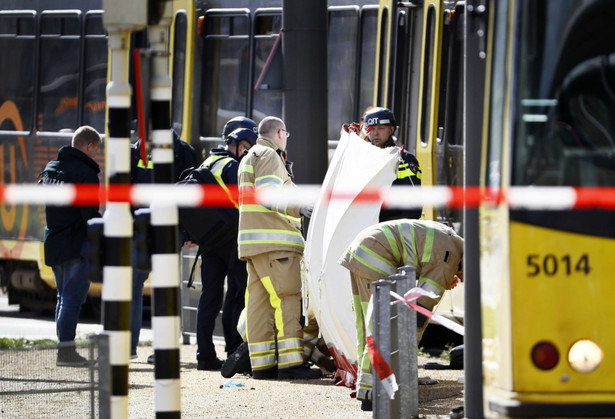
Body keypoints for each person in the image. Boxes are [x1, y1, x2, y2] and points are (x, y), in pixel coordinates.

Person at [338, 219, 463, 411]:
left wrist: (445, 276)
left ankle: (367, 388)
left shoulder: (449, 241)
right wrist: (407, 349)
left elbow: (424, 261)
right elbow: (422, 305)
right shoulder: (450, 255)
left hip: (363, 249)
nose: (462, 280)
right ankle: (375, 392)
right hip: (376, 254)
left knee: (369, 325)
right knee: (386, 326)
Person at [237, 116, 321, 380]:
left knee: (258, 305)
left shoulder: (249, 156)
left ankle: (262, 365)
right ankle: (291, 363)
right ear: (281, 133)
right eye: (287, 134)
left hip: (254, 244)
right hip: (277, 244)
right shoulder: (271, 155)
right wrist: (301, 206)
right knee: (287, 299)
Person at [129, 126, 197, 360]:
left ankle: (128, 348)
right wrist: (189, 232)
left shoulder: (138, 150)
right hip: (170, 228)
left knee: (133, 286)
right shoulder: (184, 151)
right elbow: (190, 193)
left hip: (141, 226)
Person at [194, 125, 256, 371]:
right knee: (240, 293)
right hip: (231, 238)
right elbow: (245, 198)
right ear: (241, 146)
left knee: (209, 297)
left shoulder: (208, 162)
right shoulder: (231, 166)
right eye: (248, 150)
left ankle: (205, 355)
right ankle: (235, 351)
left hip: (210, 240)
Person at [40, 126, 102, 366]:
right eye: (95, 151)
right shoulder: (85, 173)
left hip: (53, 240)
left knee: (62, 297)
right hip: (76, 244)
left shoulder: (51, 169)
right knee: (71, 299)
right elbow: (90, 216)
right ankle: (65, 352)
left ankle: (63, 349)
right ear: (88, 146)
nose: (94, 155)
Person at [362, 107, 423, 221]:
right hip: (364, 225)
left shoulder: (404, 159)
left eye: (381, 128)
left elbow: (413, 203)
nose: (375, 133)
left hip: (392, 226)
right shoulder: (361, 159)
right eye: (372, 128)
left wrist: (402, 231)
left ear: (391, 129)